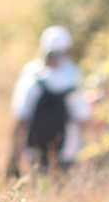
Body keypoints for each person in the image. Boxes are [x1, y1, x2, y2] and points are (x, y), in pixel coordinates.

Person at [7, 25, 92, 176]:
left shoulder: (31, 74)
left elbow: (20, 119)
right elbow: (83, 118)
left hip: (34, 154)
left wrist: (13, 159)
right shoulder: (73, 76)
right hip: (67, 154)